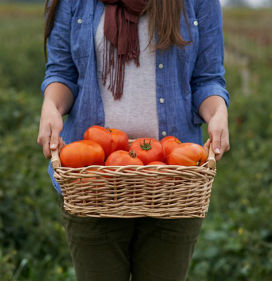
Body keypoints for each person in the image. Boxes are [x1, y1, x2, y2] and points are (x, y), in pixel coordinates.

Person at [37, 0, 230, 280]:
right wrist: (51, 107)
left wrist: (218, 113)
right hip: (93, 181)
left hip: (172, 183)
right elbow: (62, 74)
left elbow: (207, 80)